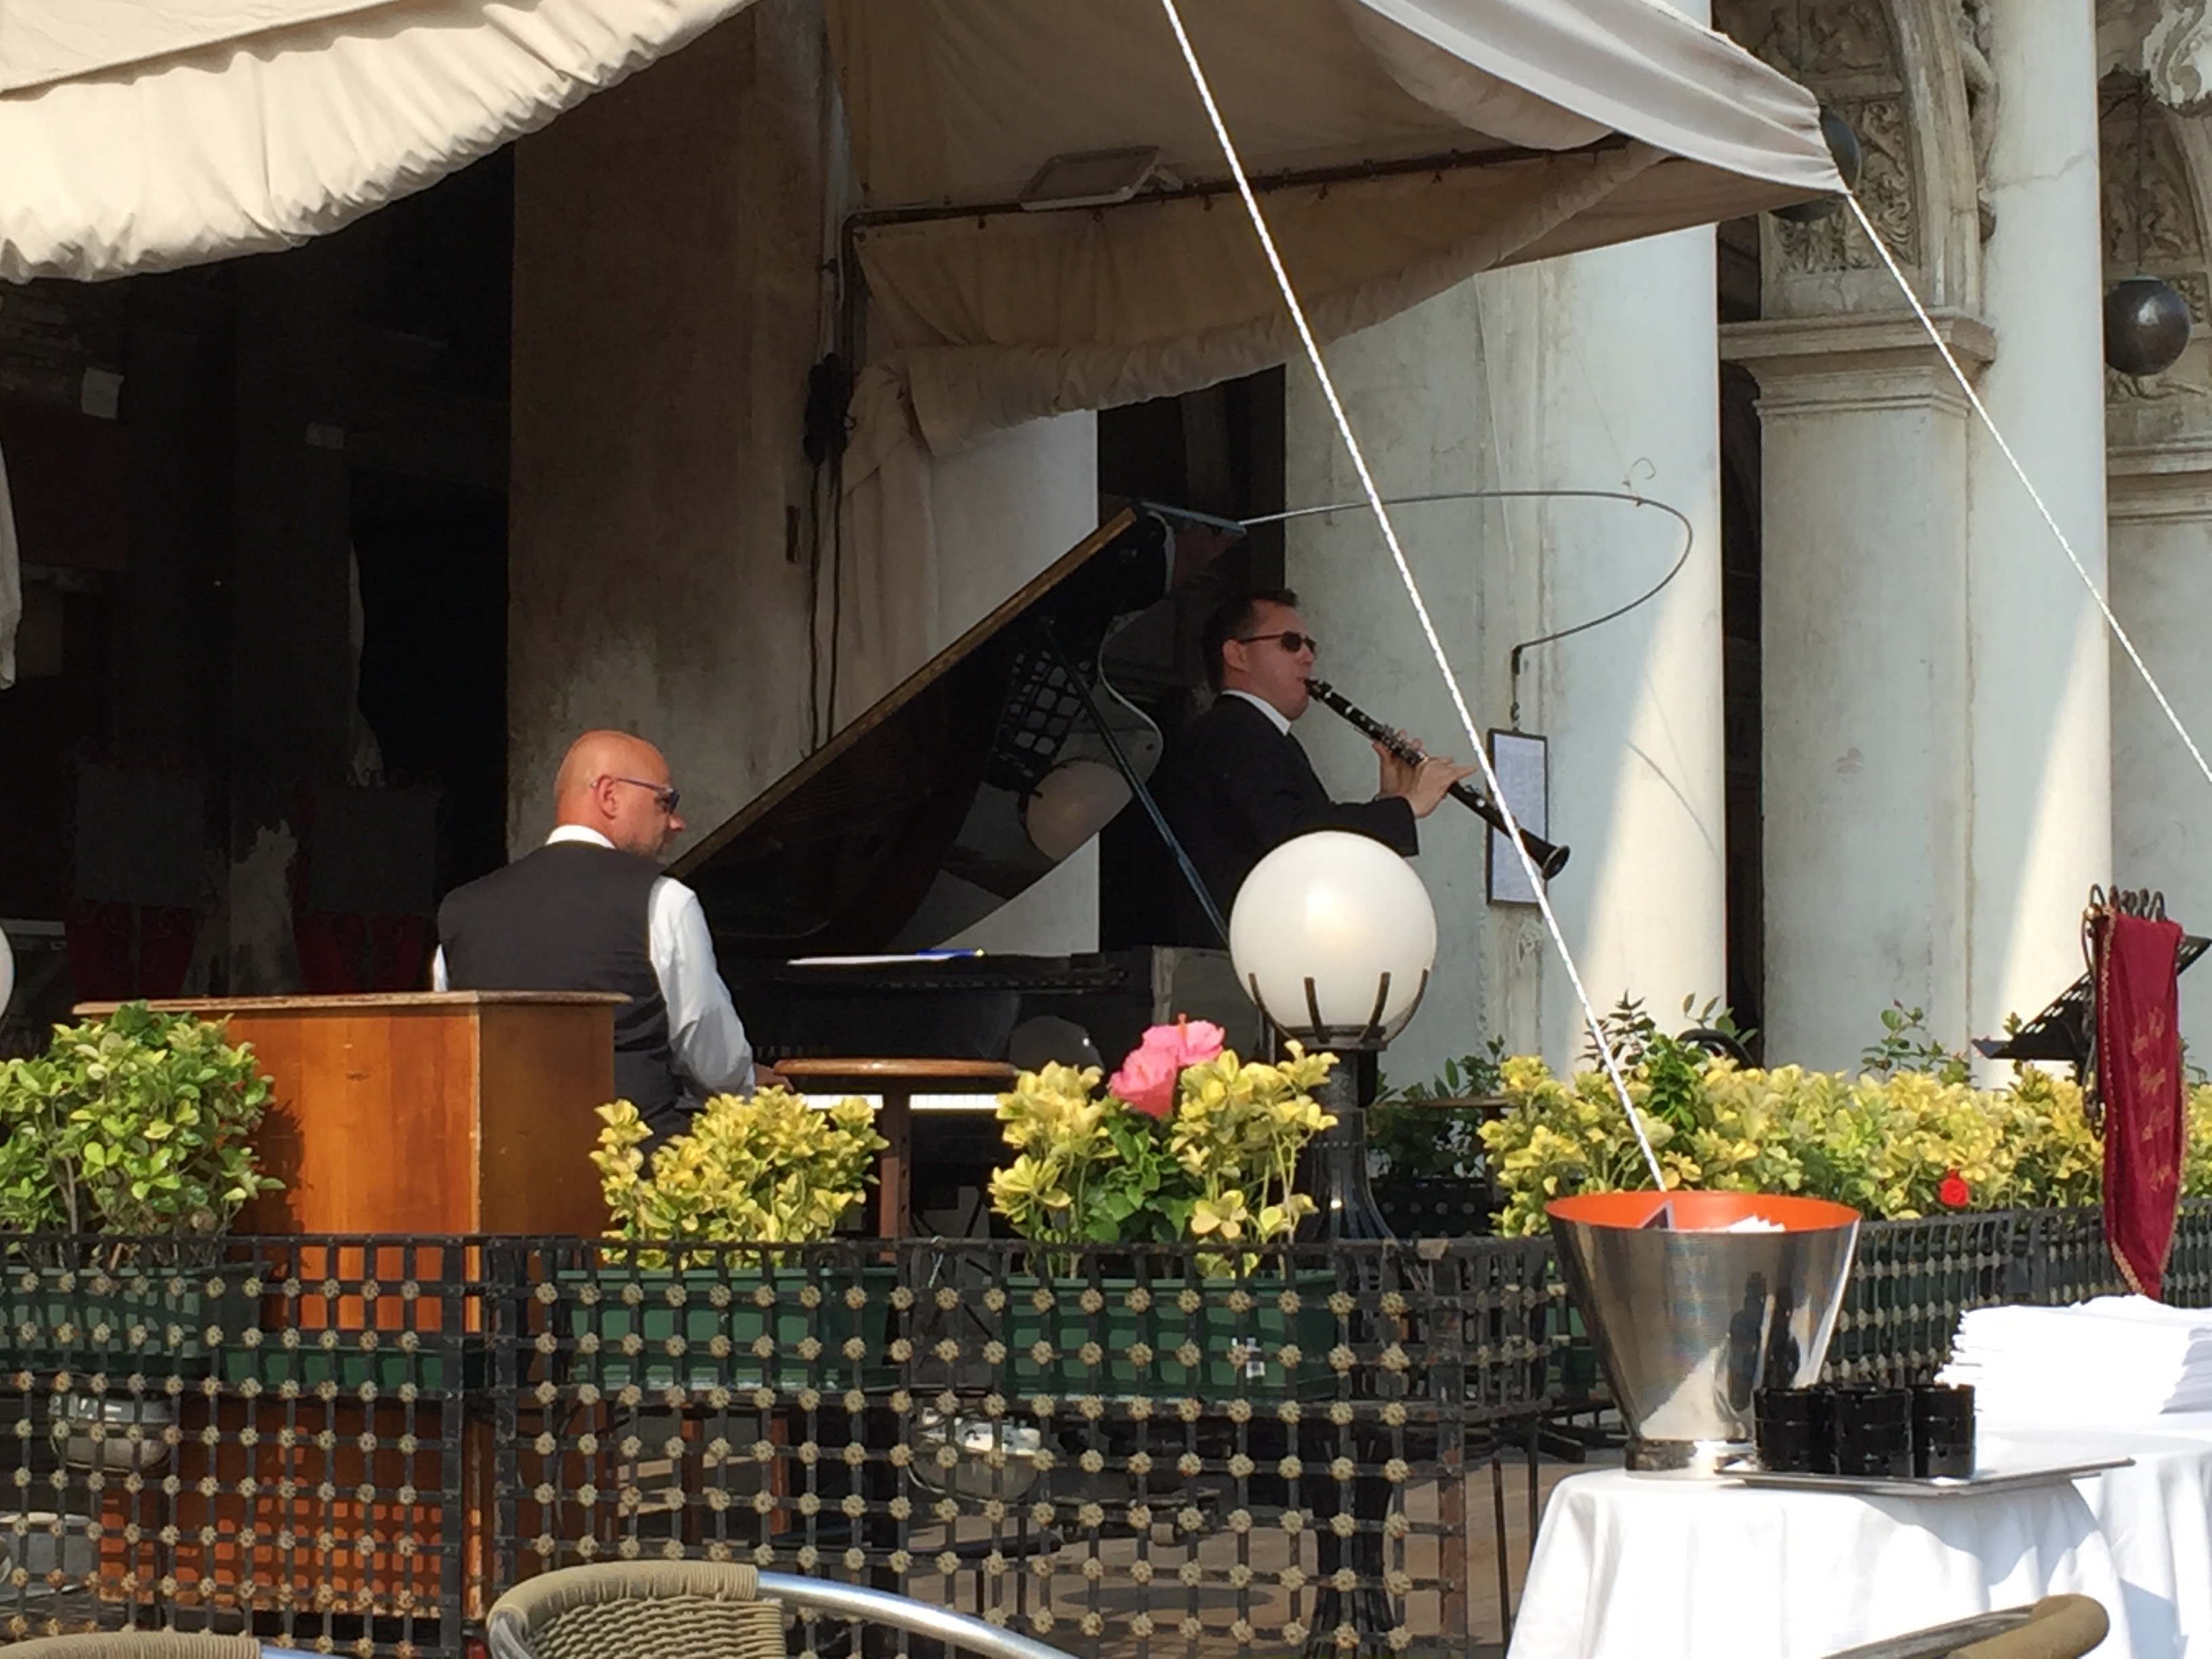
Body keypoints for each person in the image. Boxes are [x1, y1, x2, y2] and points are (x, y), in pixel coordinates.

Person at [433, 729, 777, 1142]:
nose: (676, 822)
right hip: (632, 1165)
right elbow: (714, 1065)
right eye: (665, 801)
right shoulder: (663, 899)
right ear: (609, 795)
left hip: (505, 1164)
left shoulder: (461, 910)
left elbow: (452, 1056)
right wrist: (751, 1083)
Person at [1153, 589, 1474, 939]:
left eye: (1310, 646)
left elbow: (1305, 838)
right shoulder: (1236, 729)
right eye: (1290, 643)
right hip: (1241, 946)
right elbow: (1292, 836)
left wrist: (1388, 801)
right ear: (1237, 654)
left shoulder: (1262, 733)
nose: (1307, 657)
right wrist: (1406, 806)